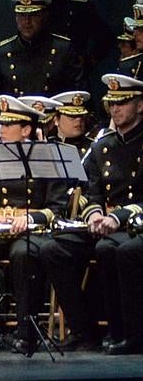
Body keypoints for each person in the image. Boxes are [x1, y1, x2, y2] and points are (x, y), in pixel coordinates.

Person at [0, 95, 68, 353]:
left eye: (8, 125)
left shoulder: (47, 156)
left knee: (23, 253)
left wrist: (28, 218)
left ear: (26, 129)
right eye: (2, 125)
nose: (2, 130)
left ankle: (26, 333)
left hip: (31, 230)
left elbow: (56, 208)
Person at [73, 74, 143, 353]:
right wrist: (93, 214)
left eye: (123, 102)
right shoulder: (103, 145)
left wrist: (119, 217)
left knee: (124, 250)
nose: (115, 109)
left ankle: (134, 332)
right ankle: (97, 330)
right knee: (63, 249)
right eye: (111, 103)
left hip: (134, 223)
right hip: (108, 225)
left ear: (140, 106)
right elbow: (90, 189)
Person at [0, 0, 82, 96]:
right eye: (22, 15)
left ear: (45, 16)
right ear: (16, 18)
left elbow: (79, 93)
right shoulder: (4, 51)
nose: (27, 22)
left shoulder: (63, 49)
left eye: (33, 15)